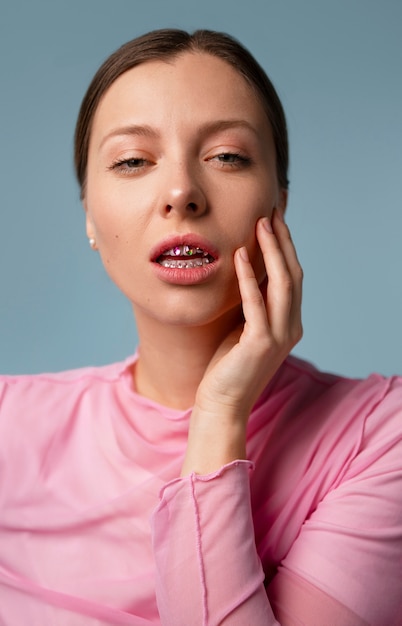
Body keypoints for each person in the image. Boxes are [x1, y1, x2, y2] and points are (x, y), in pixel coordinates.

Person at [0, 28, 401, 626]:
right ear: (89, 211)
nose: (182, 192)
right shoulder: (9, 426)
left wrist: (221, 412)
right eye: (133, 160)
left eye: (228, 157)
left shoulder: (380, 438)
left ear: (279, 205)